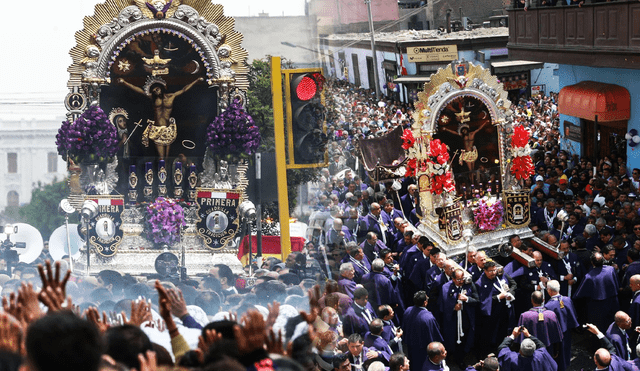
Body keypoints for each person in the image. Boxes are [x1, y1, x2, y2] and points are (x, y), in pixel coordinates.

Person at [118, 76, 203, 159]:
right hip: (157, 129)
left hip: (169, 129)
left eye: (157, 89)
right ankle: (161, 172)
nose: (156, 91)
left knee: (167, 157)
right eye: (154, 91)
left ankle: (166, 171)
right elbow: (140, 91)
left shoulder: (171, 96)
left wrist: (196, 80)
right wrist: (124, 82)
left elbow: (184, 89)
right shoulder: (153, 98)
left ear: (161, 88)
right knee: (161, 157)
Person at [439, 268, 479, 368]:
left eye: (462, 279)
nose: (461, 281)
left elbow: (477, 300)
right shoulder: (446, 287)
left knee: (464, 340)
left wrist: (467, 299)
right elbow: (442, 305)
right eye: (458, 279)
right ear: (453, 279)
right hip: (452, 320)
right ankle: (448, 357)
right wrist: (453, 308)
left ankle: (460, 358)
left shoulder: (469, 285)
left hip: (465, 319)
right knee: (450, 339)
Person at [475, 260, 516, 356]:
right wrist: (498, 297)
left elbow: (513, 284)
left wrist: (509, 294)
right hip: (490, 313)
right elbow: (482, 300)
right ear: (484, 271)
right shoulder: (480, 283)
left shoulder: (500, 275)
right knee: (488, 335)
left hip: (503, 310)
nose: (493, 273)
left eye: (494, 270)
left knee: (502, 331)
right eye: (490, 271)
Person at [573, 252, 620, 334]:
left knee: (599, 328)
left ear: (592, 262)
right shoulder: (611, 270)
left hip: (597, 306)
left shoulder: (589, 276)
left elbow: (580, 293)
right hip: (612, 301)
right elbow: (617, 284)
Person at [402, 291, 443, 371]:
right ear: (425, 303)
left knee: (413, 364)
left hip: (411, 345)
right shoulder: (428, 317)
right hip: (423, 349)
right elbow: (434, 335)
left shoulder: (408, 310)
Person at [546, 280, 579, 371]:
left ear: (549, 291)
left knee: (558, 354)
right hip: (567, 331)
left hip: (556, 334)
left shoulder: (548, 306)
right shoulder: (567, 299)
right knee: (566, 349)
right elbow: (573, 315)